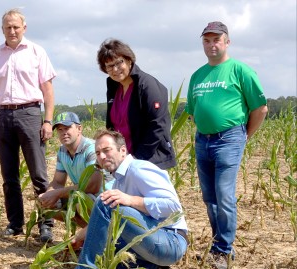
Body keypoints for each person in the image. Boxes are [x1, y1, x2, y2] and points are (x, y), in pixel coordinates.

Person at [185, 21, 268, 268]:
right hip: (203, 140)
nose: (211, 44)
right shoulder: (197, 75)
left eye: (216, 39)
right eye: (207, 40)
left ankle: (224, 251)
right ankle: (218, 243)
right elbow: (192, 110)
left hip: (229, 139)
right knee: (209, 196)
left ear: (227, 42)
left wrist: (244, 135)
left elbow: (260, 108)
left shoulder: (241, 71)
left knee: (224, 195)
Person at [0, 8, 56, 242]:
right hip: (3, 117)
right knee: (9, 176)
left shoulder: (36, 52)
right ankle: (15, 223)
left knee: (39, 174)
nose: (12, 31)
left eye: (16, 27)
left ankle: (46, 224)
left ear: (24, 28)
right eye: (8, 27)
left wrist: (48, 120)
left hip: (30, 113)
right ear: (2, 30)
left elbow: (47, 90)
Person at [77, 130, 188, 269]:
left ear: (122, 150)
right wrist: (79, 238)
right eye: (98, 153)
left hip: (171, 241)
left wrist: (130, 200)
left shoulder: (138, 169)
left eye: (106, 150)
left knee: (105, 201)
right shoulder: (118, 181)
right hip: (150, 242)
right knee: (107, 253)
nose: (102, 157)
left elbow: (173, 207)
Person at [97, 38, 176, 170]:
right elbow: (112, 126)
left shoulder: (146, 85)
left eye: (119, 62)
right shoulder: (114, 87)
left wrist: (138, 158)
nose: (115, 69)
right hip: (124, 160)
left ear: (129, 60)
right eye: (109, 66)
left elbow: (158, 125)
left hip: (148, 160)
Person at [38, 112, 102, 247]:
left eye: (67, 128)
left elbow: (93, 186)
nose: (63, 133)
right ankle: (91, 235)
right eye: (60, 130)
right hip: (84, 196)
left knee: (79, 201)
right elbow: (58, 182)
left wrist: (57, 193)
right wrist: (48, 194)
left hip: (103, 200)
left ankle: (100, 235)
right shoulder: (62, 151)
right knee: (50, 205)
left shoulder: (91, 149)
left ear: (79, 129)